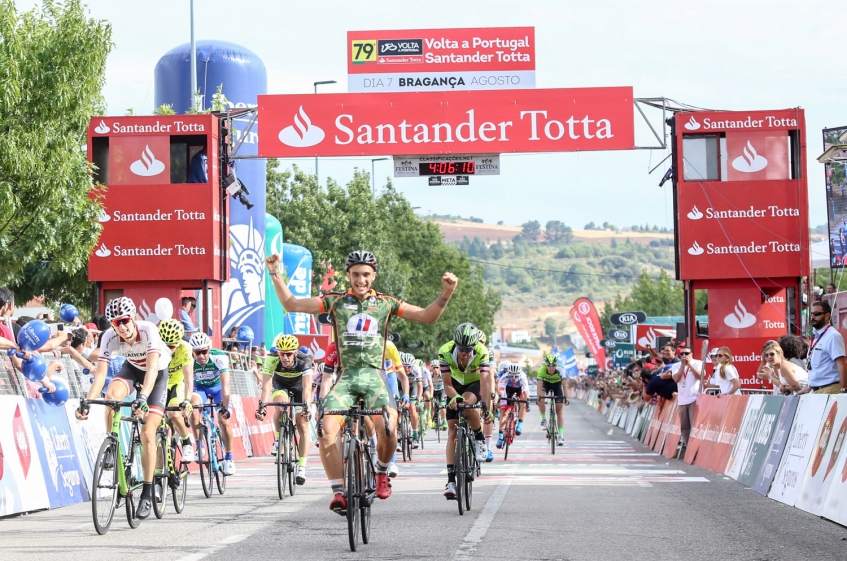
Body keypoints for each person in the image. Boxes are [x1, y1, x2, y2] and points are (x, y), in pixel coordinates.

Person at [265, 249, 458, 513]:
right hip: (346, 377)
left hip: (375, 377)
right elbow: (293, 305)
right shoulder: (335, 301)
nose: (361, 279)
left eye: (366, 274)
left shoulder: (387, 303)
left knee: (389, 426)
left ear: (374, 276)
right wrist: (275, 273)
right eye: (356, 274)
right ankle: (339, 491)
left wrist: (447, 291)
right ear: (348, 276)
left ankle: (380, 472)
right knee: (325, 430)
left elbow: (427, 316)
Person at [75, 296, 172, 520]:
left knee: (148, 433)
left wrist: (143, 397)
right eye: (116, 323)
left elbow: (153, 369)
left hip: (155, 375)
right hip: (132, 368)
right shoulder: (109, 337)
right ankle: (113, 443)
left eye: (125, 320)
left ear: (134, 318)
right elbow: (100, 375)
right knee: (111, 395)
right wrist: (89, 402)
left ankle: (148, 491)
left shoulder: (148, 331)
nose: (122, 327)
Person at [439, 322, 491, 500]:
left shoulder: (482, 351)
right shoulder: (445, 351)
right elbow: (446, 384)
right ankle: (451, 480)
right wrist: (453, 397)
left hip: (473, 383)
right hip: (454, 385)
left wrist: (486, 406)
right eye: (461, 348)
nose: (464, 352)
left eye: (468, 349)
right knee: (452, 432)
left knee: (468, 404)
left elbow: (485, 383)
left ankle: (479, 438)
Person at [256, 333, 314, 485]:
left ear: (295, 353)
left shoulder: (304, 360)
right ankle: (278, 438)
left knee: (302, 424)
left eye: (288, 354)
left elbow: (308, 388)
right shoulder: (271, 358)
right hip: (281, 385)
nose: (285, 358)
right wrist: (262, 407)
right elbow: (266, 387)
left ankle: (302, 468)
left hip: (300, 387)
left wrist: (306, 408)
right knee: (280, 407)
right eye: (282, 354)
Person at [188, 332, 237, 475]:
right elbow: (187, 384)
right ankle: (199, 446)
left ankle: (229, 458)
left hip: (218, 389)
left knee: (224, 422)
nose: (201, 356)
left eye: (204, 351)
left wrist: (225, 408)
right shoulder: (189, 359)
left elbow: (226, 384)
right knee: (194, 407)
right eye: (198, 352)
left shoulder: (219, 356)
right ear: (193, 351)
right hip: (199, 388)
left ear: (209, 349)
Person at [158, 319, 196, 460]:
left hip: (176, 383)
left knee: (173, 414)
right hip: (160, 382)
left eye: (172, 346)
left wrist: (187, 400)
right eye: (165, 345)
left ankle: (187, 442)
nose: (169, 349)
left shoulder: (185, 348)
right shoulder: (154, 346)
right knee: (154, 429)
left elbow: (188, 378)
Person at [799, 301, 847, 394]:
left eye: (816, 314)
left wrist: (844, 390)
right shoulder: (817, 336)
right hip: (817, 391)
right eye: (811, 314)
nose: (812, 317)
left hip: (830, 389)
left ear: (827, 316)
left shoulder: (833, 336)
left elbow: (842, 365)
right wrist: (808, 386)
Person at [671, 345, 703, 454]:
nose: (684, 356)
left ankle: (696, 448)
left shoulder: (698, 363)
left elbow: (701, 376)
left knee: (694, 424)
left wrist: (689, 365)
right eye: (682, 354)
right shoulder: (676, 365)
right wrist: (682, 366)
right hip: (682, 399)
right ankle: (688, 447)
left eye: (687, 353)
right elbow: (676, 379)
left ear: (691, 354)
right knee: (685, 426)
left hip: (694, 398)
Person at [535, 353, 569, 446]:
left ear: (556, 365)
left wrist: (566, 398)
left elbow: (565, 385)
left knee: (559, 409)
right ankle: (543, 419)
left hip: (557, 385)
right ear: (546, 365)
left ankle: (561, 435)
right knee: (541, 397)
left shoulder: (561, 369)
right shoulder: (542, 370)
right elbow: (539, 386)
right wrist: (539, 399)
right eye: (549, 366)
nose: (551, 368)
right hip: (546, 384)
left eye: (553, 366)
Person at [496, 362, 529, 449]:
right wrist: (500, 399)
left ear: (519, 375)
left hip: (520, 389)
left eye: (516, 376)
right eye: (512, 376)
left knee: (523, 402)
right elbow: (501, 390)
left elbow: (526, 392)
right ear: (508, 374)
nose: (514, 378)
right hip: (508, 390)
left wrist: (527, 403)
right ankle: (500, 438)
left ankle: (519, 425)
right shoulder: (505, 377)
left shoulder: (523, 377)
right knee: (504, 412)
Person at [400, 352, 423, 448]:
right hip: (401, 387)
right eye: (404, 366)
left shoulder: (417, 370)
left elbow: (419, 385)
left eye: (409, 367)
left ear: (412, 366)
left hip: (413, 388)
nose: (406, 369)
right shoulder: (399, 371)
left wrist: (419, 398)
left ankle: (415, 435)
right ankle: (398, 435)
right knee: (398, 409)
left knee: (413, 409)